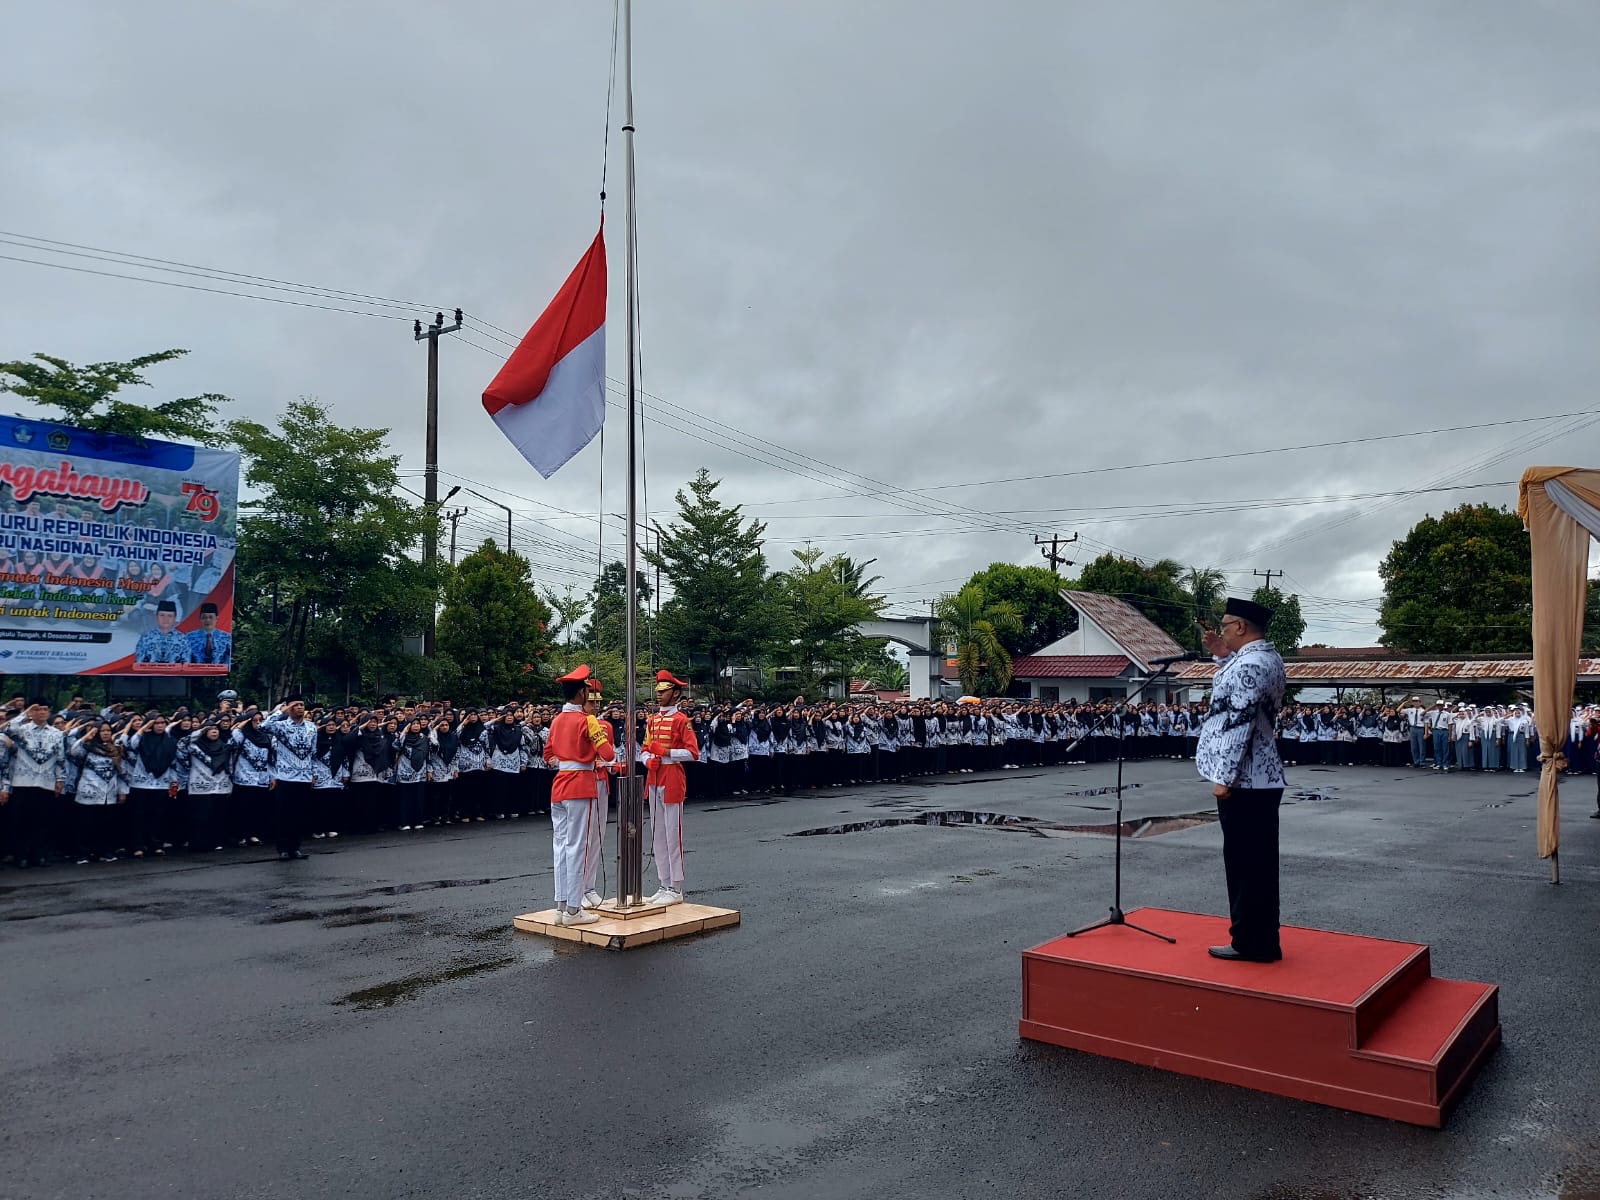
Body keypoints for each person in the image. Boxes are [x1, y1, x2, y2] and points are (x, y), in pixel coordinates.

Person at [1196, 598, 1288, 964]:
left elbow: (1240, 723)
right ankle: (1261, 939)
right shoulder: (1265, 658)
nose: (1220, 631)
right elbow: (1238, 685)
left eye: (1224, 625)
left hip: (1245, 779)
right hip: (1260, 778)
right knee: (1257, 864)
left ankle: (1251, 942)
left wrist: (1224, 777)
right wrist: (1221, 655)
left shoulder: (1250, 665)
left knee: (1245, 865)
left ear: (1240, 627)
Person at [541, 665, 614, 926]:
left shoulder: (557, 720)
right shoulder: (588, 720)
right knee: (577, 847)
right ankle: (573, 909)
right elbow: (608, 754)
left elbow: (548, 753)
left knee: (560, 846)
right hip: (581, 783)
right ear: (582, 693)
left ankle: (561, 906)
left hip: (559, 783)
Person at [642, 670, 700, 905]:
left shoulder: (681, 721)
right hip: (655, 775)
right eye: (658, 691)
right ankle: (664, 882)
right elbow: (644, 749)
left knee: (672, 835)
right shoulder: (652, 720)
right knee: (658, 834)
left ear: (675, 694)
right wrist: (648, 760)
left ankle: (675, 888)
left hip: (672, 776)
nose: (659, 695)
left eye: (663, 691)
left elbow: (693, 753)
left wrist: (665, 753)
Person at [0, 700, 67, 867]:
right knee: (22, 820)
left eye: (45, 709)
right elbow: (6, 728)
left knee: (42, 820)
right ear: (32, 712)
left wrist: (60, 779)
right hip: (23, 781)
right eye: (37, 710)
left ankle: (39, 855)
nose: (41, 713)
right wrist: (24, 714)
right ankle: (21, 856)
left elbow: (60, 758)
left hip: (46, 781)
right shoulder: (22, 730)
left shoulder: (56, 733)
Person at [263, 697, 320, 860]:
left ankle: (295, 847)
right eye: (296, 706)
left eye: (302, 705)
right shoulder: (281, 726)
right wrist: (281, 711)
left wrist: (314, 774)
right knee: (284, 814)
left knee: (299, 815)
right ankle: (283, 848)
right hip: (285, 777)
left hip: (304, 777)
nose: (300, 708)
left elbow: (313, 753)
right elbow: (263, 726)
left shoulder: (311, 727)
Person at [134, 599, 191, 664]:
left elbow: (186, 664)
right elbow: (139, 663)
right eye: (162, 615)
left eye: (169, 616)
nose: (165, 619)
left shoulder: (183, 639)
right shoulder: (146, 637)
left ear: (175, 618)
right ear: (157, 617)